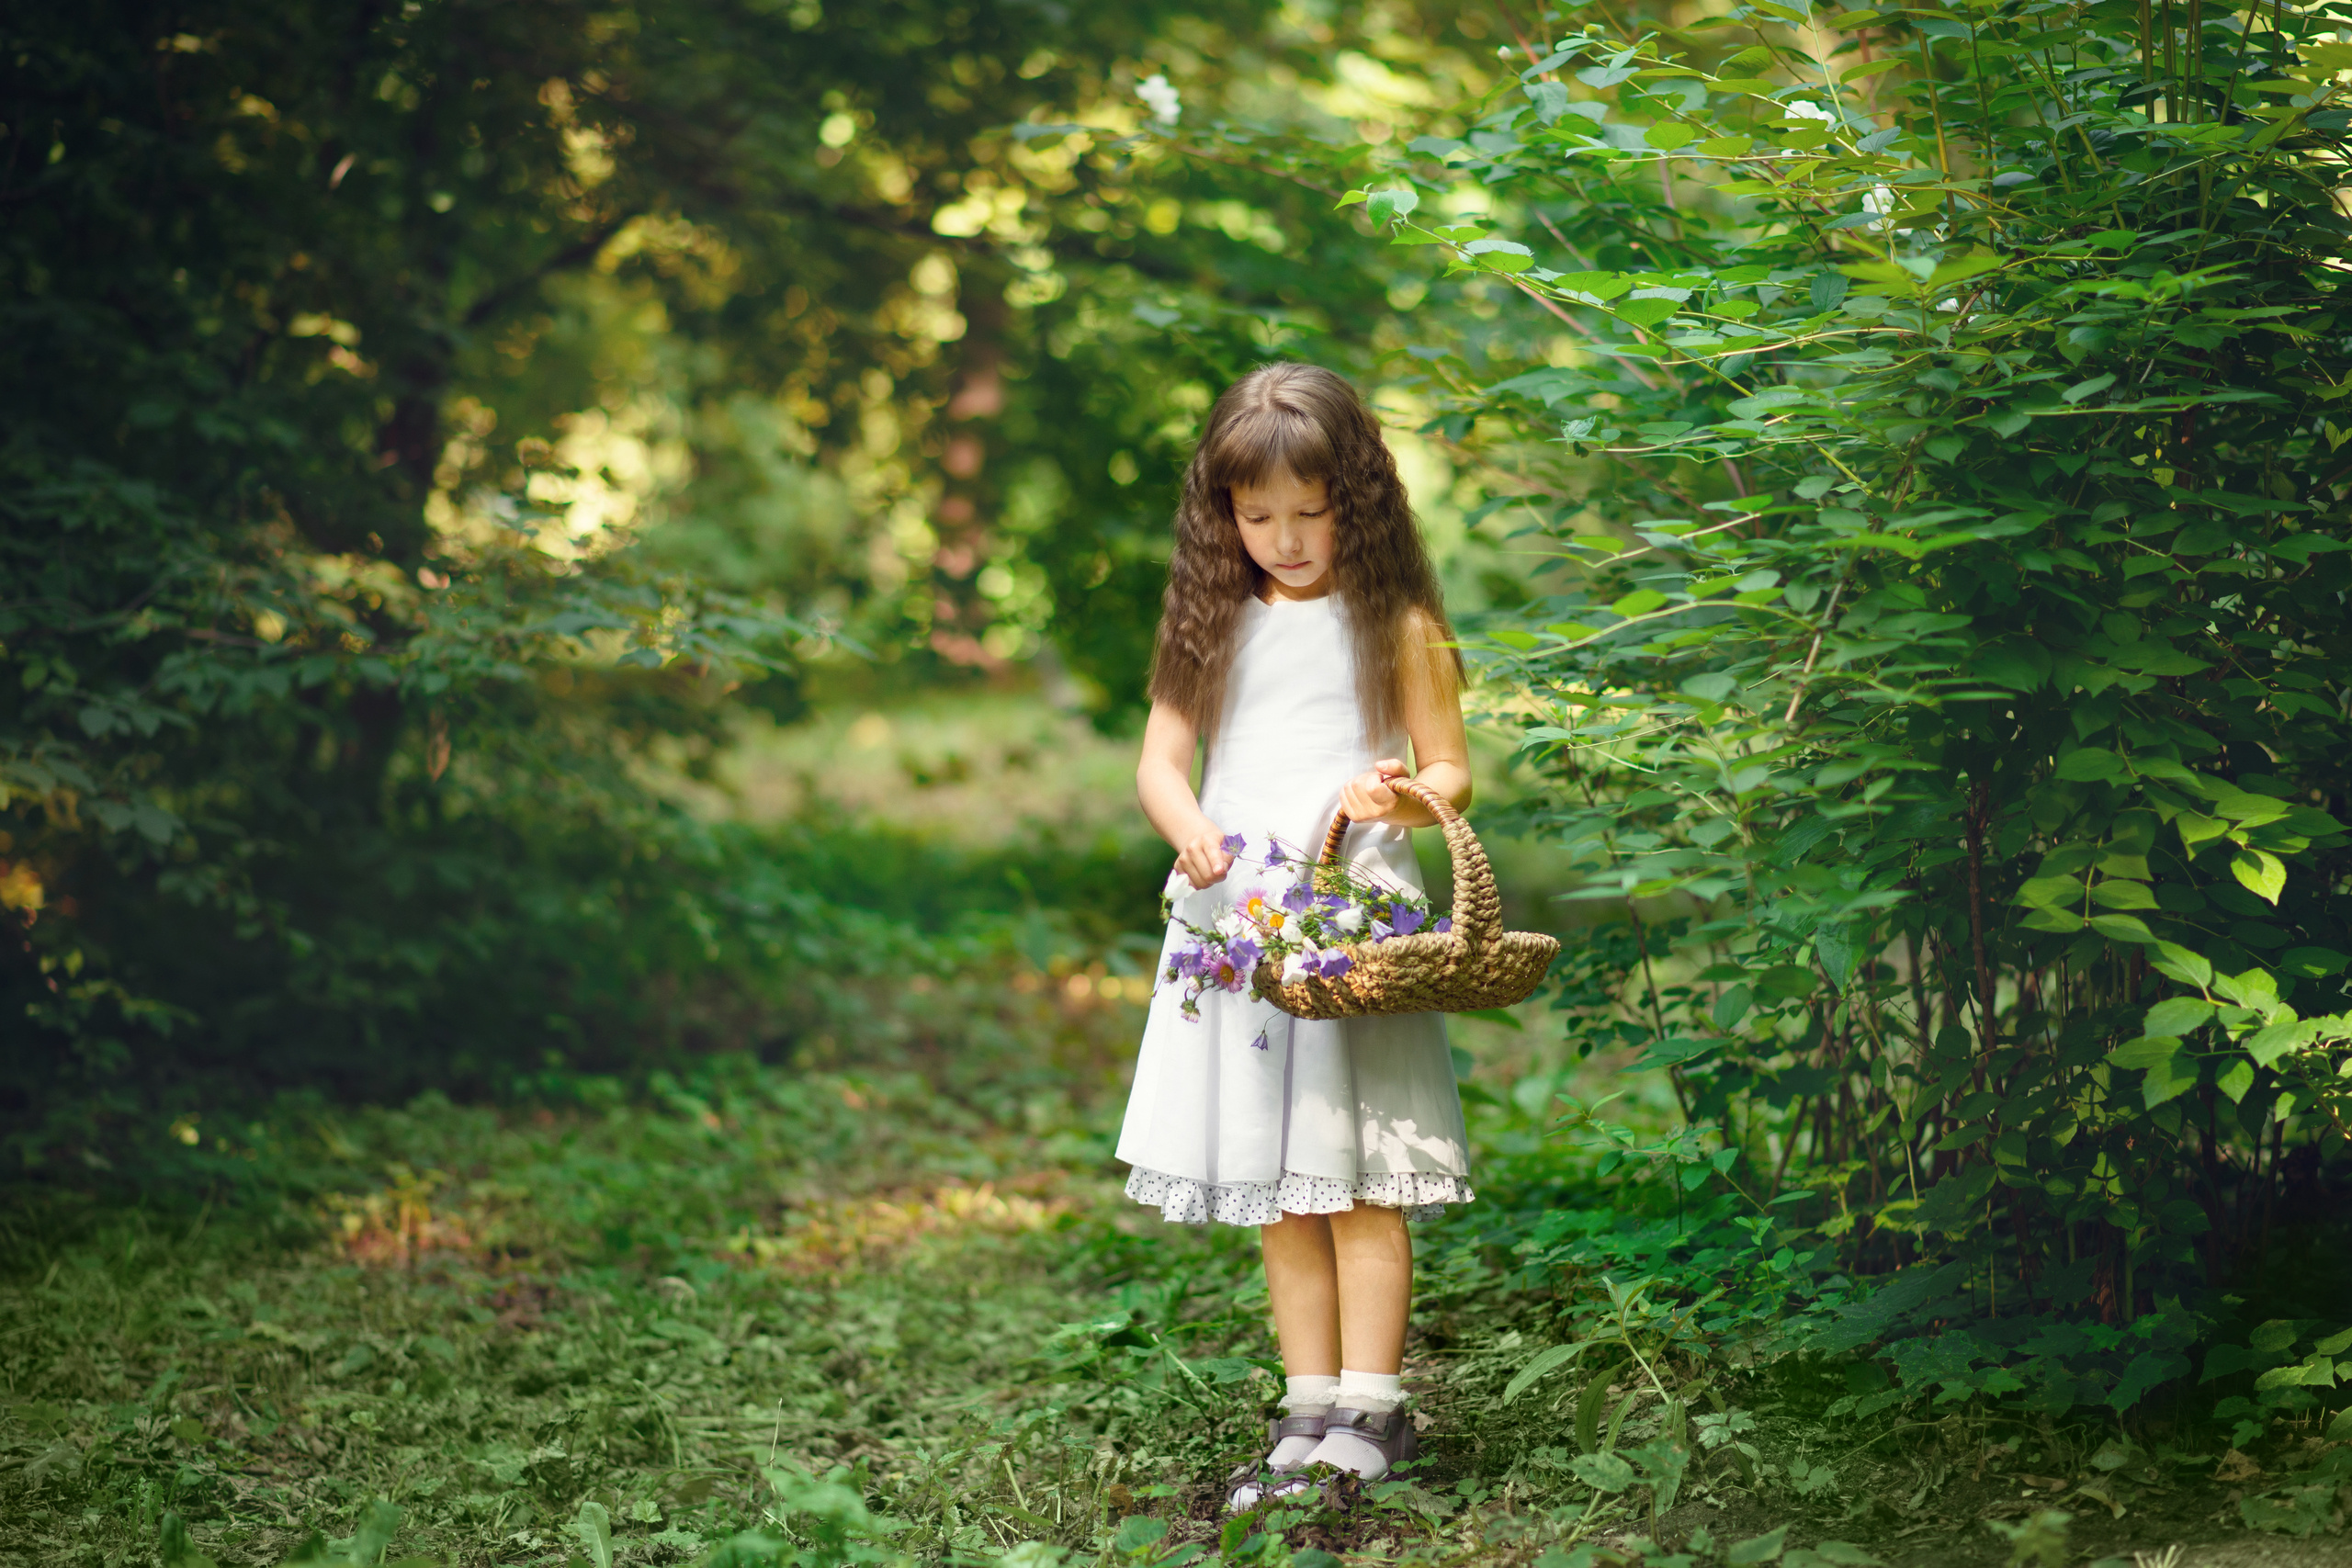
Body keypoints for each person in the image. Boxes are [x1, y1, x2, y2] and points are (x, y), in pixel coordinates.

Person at [1120, 362, 1474, 1508]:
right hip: (1241, 928)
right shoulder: (1212, 624)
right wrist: (1189, 831)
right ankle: (1307, 1404)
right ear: (1221, 515)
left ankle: (1373, 1407)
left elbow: (1450, 767)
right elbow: (1160, 764)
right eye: (1255, 516)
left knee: (1355, 1171)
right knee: (1277, 1182)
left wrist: (1402, 798)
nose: (1283, 540)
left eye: (1310, 513)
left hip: (1349, 923)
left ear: (1354, 504)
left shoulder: (1396, 623)